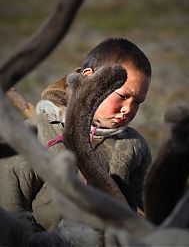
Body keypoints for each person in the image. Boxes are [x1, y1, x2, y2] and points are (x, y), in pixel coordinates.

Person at [0, 38, 152, 231]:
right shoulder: (35, 135)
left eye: (138, 102)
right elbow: (10, 210)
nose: (128, 109)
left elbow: (144, 211)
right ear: (90, 78)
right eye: (122, 96)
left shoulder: (134, 146)